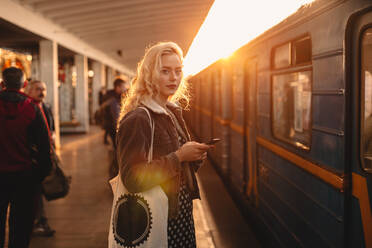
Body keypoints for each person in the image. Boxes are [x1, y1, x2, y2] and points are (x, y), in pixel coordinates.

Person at [116, 42, 211, 248]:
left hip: (179, 214)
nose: (174, 78)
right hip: (159, 218)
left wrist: (193, 158)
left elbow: (179, 169)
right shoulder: (138, 118)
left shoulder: (172, 112)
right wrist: (179, 157)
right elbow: (133, 179)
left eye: (178, 71)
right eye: (165, 71)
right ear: (149, 74)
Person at [0, 67, 52, 248]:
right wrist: (40, 174)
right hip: (24, 176)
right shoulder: (32, 108)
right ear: (24, 84)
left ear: (1, 84)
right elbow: (45, 146)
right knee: (20, 227)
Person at [25, 80, 56, 237]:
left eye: (43, 89)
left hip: (46, 153)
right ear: (28, 90)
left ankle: (39, 221)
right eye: (38, 89)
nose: (42, 92)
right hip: (32, 158)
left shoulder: (46, 106)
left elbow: (51, 126)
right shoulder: (26, 108)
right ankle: (39, 222)